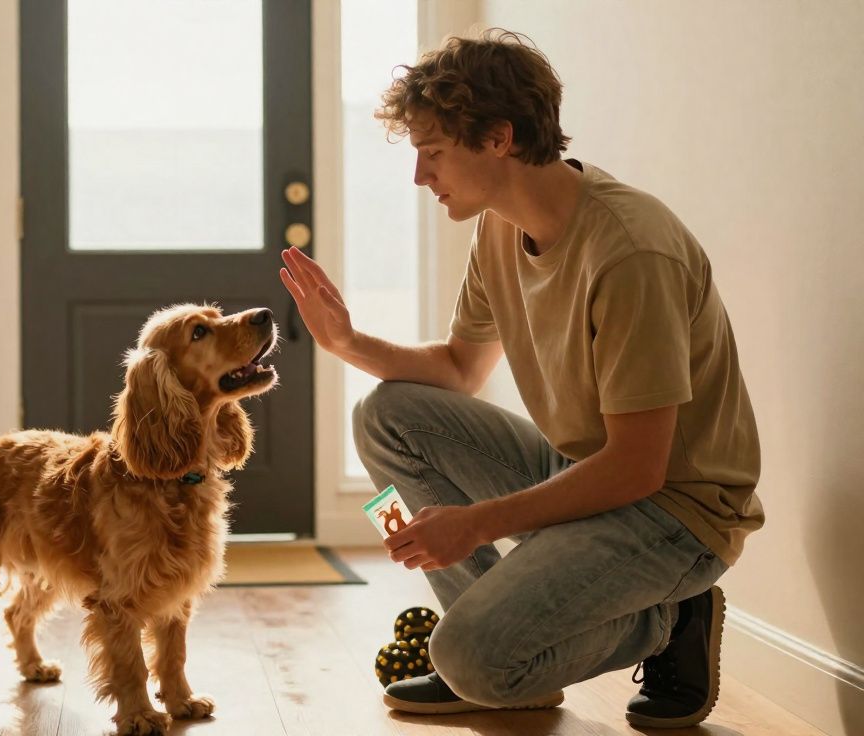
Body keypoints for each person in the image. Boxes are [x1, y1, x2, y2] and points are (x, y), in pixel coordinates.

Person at [280, 29, 761, 729]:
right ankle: (503, 655)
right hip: (587, 470)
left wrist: (474, 525)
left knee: (470, 659)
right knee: (384, 414)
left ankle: (667, 619)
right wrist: (347, 342)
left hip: (675, 512)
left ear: (499, 138)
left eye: (434, 153)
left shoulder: (630, 252)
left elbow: (638, 468)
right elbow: (458, 370)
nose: (420, 177)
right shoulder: (500, 229)